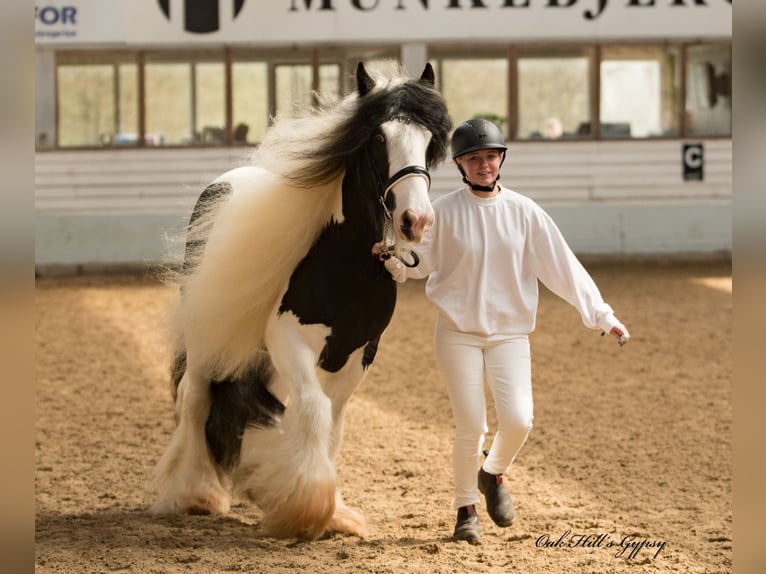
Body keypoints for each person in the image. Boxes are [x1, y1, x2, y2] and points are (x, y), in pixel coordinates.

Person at [381, 118, 630, 543]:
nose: (484, 165)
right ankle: (465, 512)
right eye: (474, 159)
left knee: (519, 420)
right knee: (471, 425)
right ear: (460, 164)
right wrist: (392, 254)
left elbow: (563, 268)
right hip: (457, 332)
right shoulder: (442, 212)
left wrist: (601, 315)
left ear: (501, 160)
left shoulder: (525, 212)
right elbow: (418, 266)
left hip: (510, 334)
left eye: (490, 157)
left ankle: (492, 474)